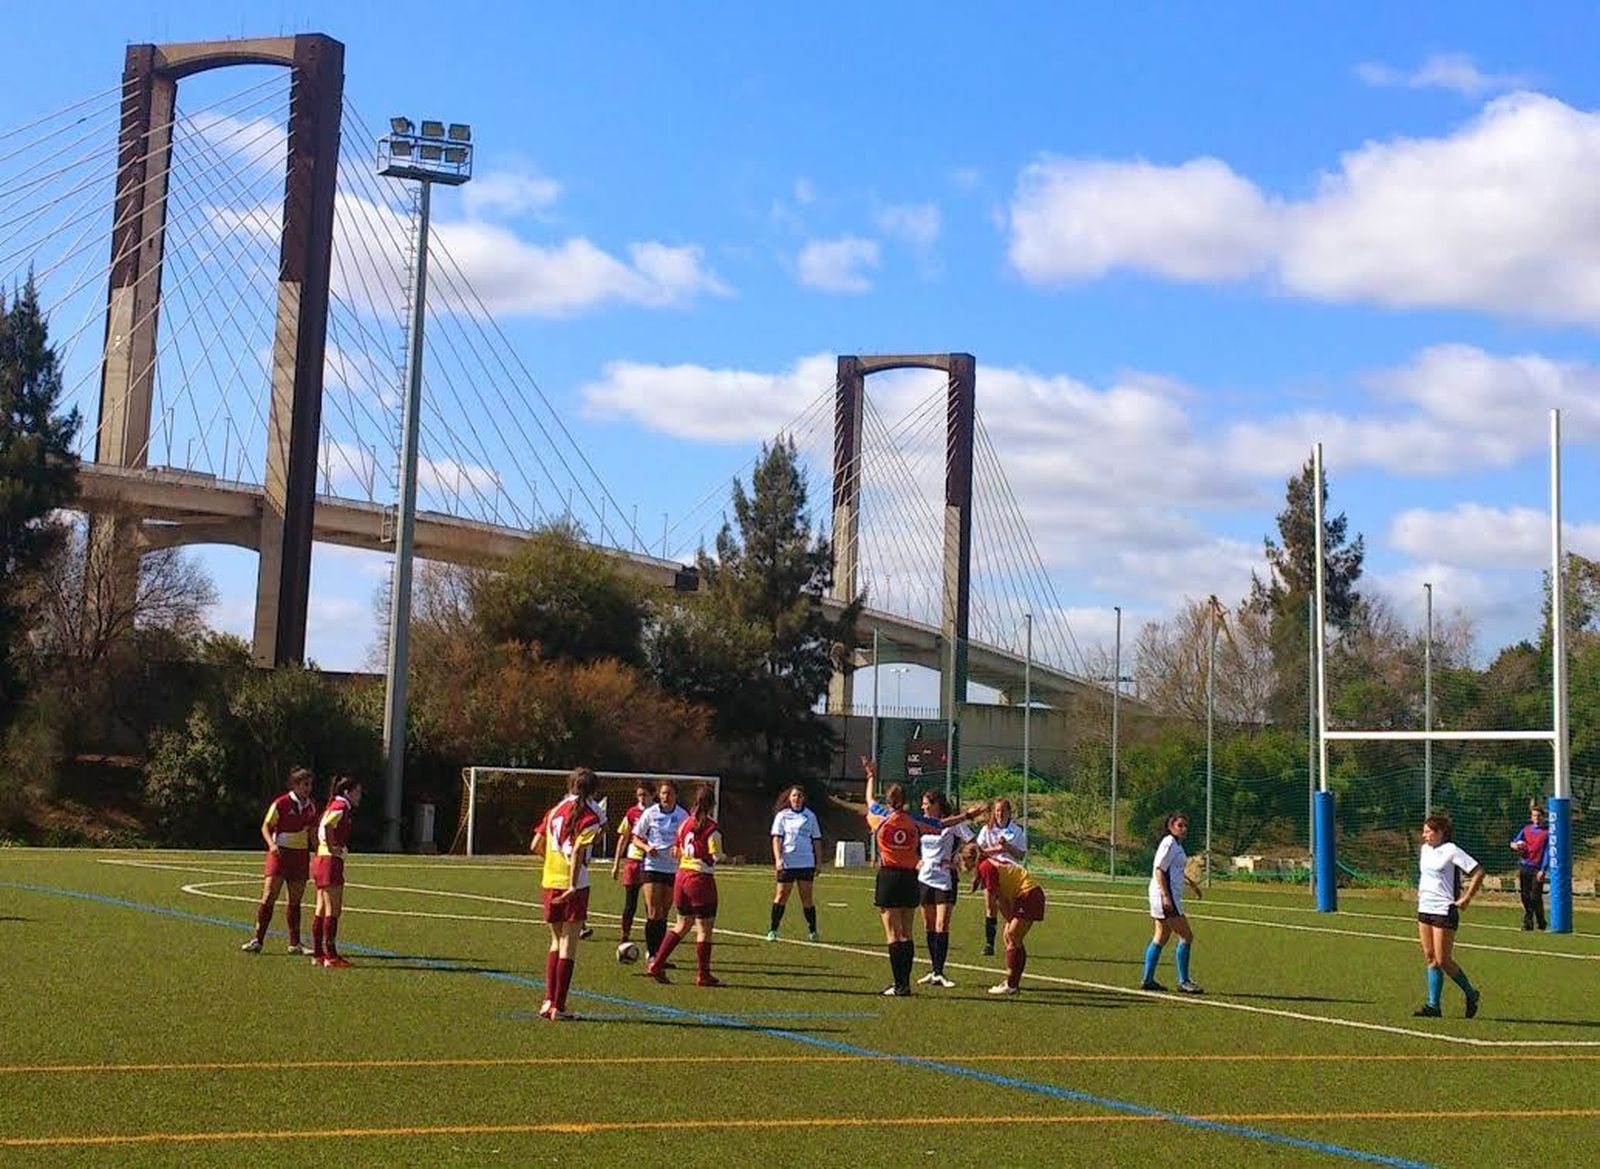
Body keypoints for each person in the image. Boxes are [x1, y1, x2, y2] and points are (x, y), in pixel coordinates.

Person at [862, 756, 980, 996]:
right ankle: (905, 982)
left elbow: (869, 800)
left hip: (889, 877)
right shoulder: (914, 821)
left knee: (892, 934)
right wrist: (967, 816)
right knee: (907, 932)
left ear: (888, 801)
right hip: (909, 879)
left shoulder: (879, 817)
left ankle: (899, 984)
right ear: (905, 802)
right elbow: (941, 823)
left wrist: (871, 776)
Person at [530, 767, 604, 1021]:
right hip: (574, 885)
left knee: (555, 941)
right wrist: (572, 884)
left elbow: (535, 845)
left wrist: (552, 862)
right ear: (594, 791)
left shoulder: (553, 811)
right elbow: (576, 854)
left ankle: (548, 1000)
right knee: (569, 945)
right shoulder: (590, 817)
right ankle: (559, 1008)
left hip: (550, 880)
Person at [645, 784, 723, 987]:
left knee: (682, 923)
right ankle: (703, 975)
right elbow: (715, 857)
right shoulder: (712, 829)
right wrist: (724, 857)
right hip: (700, 879)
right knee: (704, 928)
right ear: (712, 804)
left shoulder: (684, 824)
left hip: (681, 877)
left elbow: (676, 851)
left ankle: (656, 963)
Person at [1414, 812, 1484, 1018]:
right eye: (1424, 831)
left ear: (1440, 832)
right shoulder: (1425, 849)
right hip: (1425, 907)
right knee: (1430, 957)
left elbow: (1478, 871)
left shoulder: (1451, 850)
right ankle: (1433, 1006)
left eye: (1428, 831)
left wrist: (1466, 898)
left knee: (1443, 959)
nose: (1424, 835)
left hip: (1444, 909)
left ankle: (1471, 993)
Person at [241, 766, 317, 955]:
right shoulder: (281, 803)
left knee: (295, 900)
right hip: (280, 854)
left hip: (300, 855)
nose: (308, 788)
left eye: (310, 785)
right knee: (269, 896)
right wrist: (272, 845)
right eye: (305, 784)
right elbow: (266, 827)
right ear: (295, 785)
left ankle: (295, 943)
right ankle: (257, 939)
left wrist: (317, 852)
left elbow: (312, 832)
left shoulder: (311, 806)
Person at [959, 842, 1045, 995]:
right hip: (1025, 895)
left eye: (963, 859)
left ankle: (1011, 985)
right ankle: (1013, 981)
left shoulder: (986, 867)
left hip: (1028, 894)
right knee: (1011, 937)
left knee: (1012, 936)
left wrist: (1009, 918)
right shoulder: (986, 864)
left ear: (970, 858)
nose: (962, 863)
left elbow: (998, 898)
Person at [915, 789, 976, 988]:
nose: (923, 807)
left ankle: (940, 972)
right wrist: (916, 861)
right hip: (924, 878)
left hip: (945, 879)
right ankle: (934, 970)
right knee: (929, 926)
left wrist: (958, 861)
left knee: (942, 925)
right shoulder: (922, 824)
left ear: (937, 805)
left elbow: (973, 843)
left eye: (926, 803)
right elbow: (912, 844)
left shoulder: (953, 823)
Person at [1141, 812, 1204, 994]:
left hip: (1163, 895)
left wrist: (1192, 884)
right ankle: (1184, 981)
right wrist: (1166, 896)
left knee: (1161, 936)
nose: (1184, 829)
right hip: (1165, 897)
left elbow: (1173, 870)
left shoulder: (1176, 845)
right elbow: (1160, 870)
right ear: (1170, 827)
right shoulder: (1169, 842)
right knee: (1186, 936)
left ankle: (1148, 979)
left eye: (1185, 826)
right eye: (1180, 825)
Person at [631, 779, 689, 965]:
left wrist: (679, 848)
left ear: (675, 795)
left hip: (672, 868)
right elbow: (635, 838)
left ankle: (660, 957)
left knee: (664, 912)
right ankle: (652, 953)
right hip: (652, 866)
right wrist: (647, 848)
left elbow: (688, 839)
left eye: (669, 793)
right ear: (659, 795)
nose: (666, 796)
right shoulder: (650, 813)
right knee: (654, 911)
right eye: (663, 793)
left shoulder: (682, 815)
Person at [310, 776, 362, 969]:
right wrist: (332, 848)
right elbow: (326, 825)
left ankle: (318, 954)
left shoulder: (334, 804)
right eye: (358, 792)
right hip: (329, 861)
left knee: (321, 908)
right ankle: (331, 957)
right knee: (333, 909)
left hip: (322, 859)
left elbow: (321, 826)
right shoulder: (341, 806)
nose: (360, 796)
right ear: (347, 792)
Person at [768, 784, 824, 942]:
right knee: (781, 896)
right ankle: (773, 929)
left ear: (803, 799)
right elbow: (777, 838)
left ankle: (812, 931)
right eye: (794, 796)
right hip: (788, 862)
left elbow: (816, 840)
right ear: (789, 798)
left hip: (806, 862)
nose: (797, 799)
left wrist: (818, 862)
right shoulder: (782, 816)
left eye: (799, 796)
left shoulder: (810, 816)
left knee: (807, 898)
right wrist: (778, 859)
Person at [976, 798, 1027, 956]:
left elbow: (1021, 855)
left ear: (1009, 812)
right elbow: (979, 851)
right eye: (997, 811)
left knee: (1008, 909)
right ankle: (989, 944)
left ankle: (1012, 939)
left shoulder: (1016, 830)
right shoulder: (987, 829)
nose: (999, 814)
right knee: (991, 907)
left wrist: (1007, 847)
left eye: (1003, 811)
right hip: (991, 872)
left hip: (1009, 873)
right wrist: (996, 850)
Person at [610, 781, 654, 944]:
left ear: (652, 795)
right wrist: (616, 864)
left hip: (652, 862)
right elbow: (624, 837)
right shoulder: (632, 813)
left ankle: (652, 940)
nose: (642, 798)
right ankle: (625, 935)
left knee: (650, 905)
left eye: (645, 795)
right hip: (634, 862)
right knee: (630, 903)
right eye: (639, 795)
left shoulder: (657, 812)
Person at [1509, 803, 1549, 931]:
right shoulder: (1526, 830)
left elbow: (1547, 852)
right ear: (1531, 817)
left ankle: (1535, 921)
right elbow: (1514, 842)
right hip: (1525, 865)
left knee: (1535, 896)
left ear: (1543, 817)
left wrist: (1543, 870)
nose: (1536, 818)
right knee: (1525, 896)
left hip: (1537, 868)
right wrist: (1515, 845)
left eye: (1539, 816)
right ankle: (1534, 921)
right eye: (1534, 815)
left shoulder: (1547, 833)